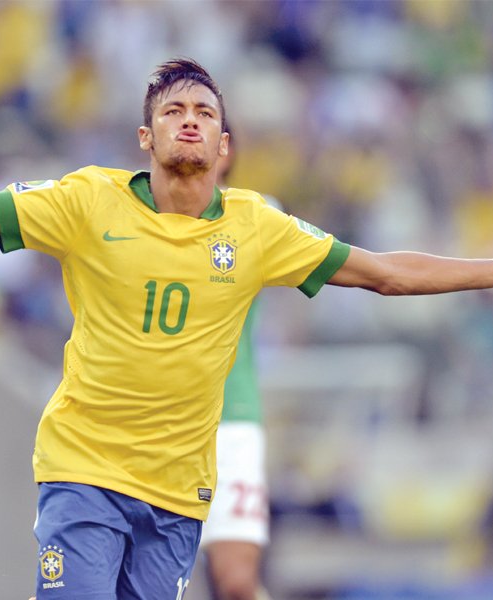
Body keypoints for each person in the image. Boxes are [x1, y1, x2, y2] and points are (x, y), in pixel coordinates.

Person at [0, 58, 493, 600]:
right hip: (85, 468)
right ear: (145, 139)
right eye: (172, 111)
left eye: (204, 112)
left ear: (224, 146)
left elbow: (385, 272)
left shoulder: (260, 228)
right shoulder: (89, 202)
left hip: (179, 493)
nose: (189, 120)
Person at [196, 131, 275, 600]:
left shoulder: (255, 215)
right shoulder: (138, 216)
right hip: (153, 419)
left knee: (237, 582)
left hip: (231, 414)